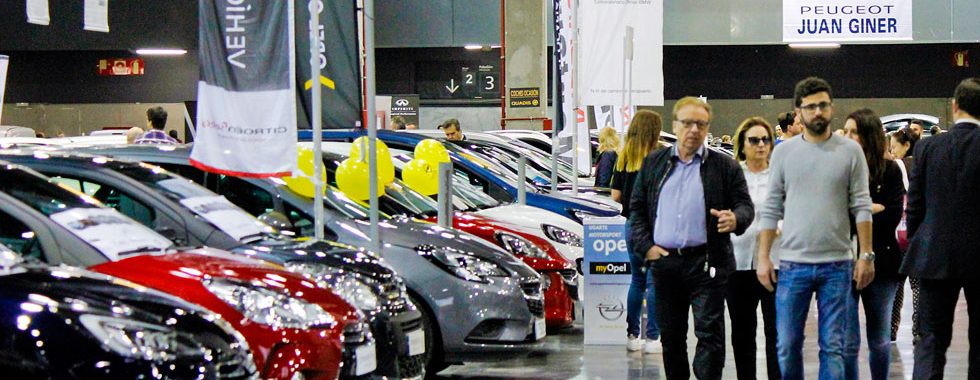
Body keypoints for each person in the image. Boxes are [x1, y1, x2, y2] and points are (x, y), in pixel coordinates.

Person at [757, 77, 874, 380]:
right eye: (811, 107)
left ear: (831, 107)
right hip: (792, 265)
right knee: (786, 346)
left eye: (823, 105)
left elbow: (862, 206)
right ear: (799, 112)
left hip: (838, 265)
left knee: (833, 348)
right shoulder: (783, 153)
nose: (818, 112)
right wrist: (764, 257)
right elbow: (771, 208)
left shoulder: (850, 152)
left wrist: (866, 255)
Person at [629, 96, 753, 379]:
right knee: (671, 338)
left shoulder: (724, 167)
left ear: (708, 128)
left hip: (707, 264)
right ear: (675, 125)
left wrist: (736, 219)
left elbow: (745, 206)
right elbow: (636, 210)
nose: (694, 130)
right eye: (687, 123)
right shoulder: (654, 163)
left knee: (710, 336)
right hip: (665, 264)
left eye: (701, 124)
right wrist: (646, 247)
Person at [901, 77, 980, 379]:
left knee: (930, 340)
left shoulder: (927, 148)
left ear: (955, 106)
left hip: (935, 255)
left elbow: (915, 207)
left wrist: (920, 240)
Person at [842, 108, 906, 380]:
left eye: (853, 132)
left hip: (883, 264)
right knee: (846, 341)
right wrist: (869, 208)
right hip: (842, 263)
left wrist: (857, 210)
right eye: (844, 131)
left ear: (868, 136)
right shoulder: (839, 171)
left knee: (879, 338)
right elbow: (833, 216)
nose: (846, 137)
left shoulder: (890, 170)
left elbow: (892, 214)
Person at [728, 116, 781, 380]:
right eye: (754, 140)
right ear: (742, 143)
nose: (760, 145)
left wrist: (781, 223)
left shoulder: (780, 175)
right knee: (742, 331)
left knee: (777, 332)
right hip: (738, 262)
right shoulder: (733, 175)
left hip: (775, 262)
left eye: (765, 140)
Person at [611, 111, 663, 354]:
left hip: (631, 225)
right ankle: (653, 338)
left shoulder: (623, 156)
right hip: (655, 225)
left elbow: (616, 196)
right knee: (654, 283)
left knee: (636, 281)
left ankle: (632, 336)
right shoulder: (660, 156)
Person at [887, 126, 920, 342]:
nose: (891, 152)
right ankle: (918, 328)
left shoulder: (894, 166)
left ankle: (891, 327)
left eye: (894, 147)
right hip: (917, 234)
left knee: (896, 286)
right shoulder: (921, 165)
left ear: (906, 145)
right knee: (918, 286)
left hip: (897, 234)